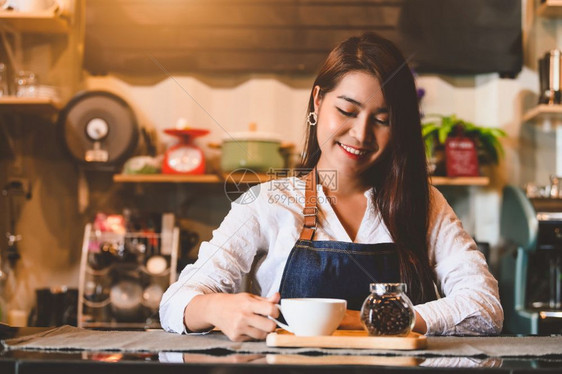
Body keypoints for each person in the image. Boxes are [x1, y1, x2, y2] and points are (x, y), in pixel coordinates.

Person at [159, 32, 503, 341]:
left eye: (382, 120)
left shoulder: (423, 203)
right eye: (347, 111)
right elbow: (175, 302)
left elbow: (485, 307)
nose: (361, 134)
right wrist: (218, 308)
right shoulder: (270, 202)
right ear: (318, 101)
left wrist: (373, 320)